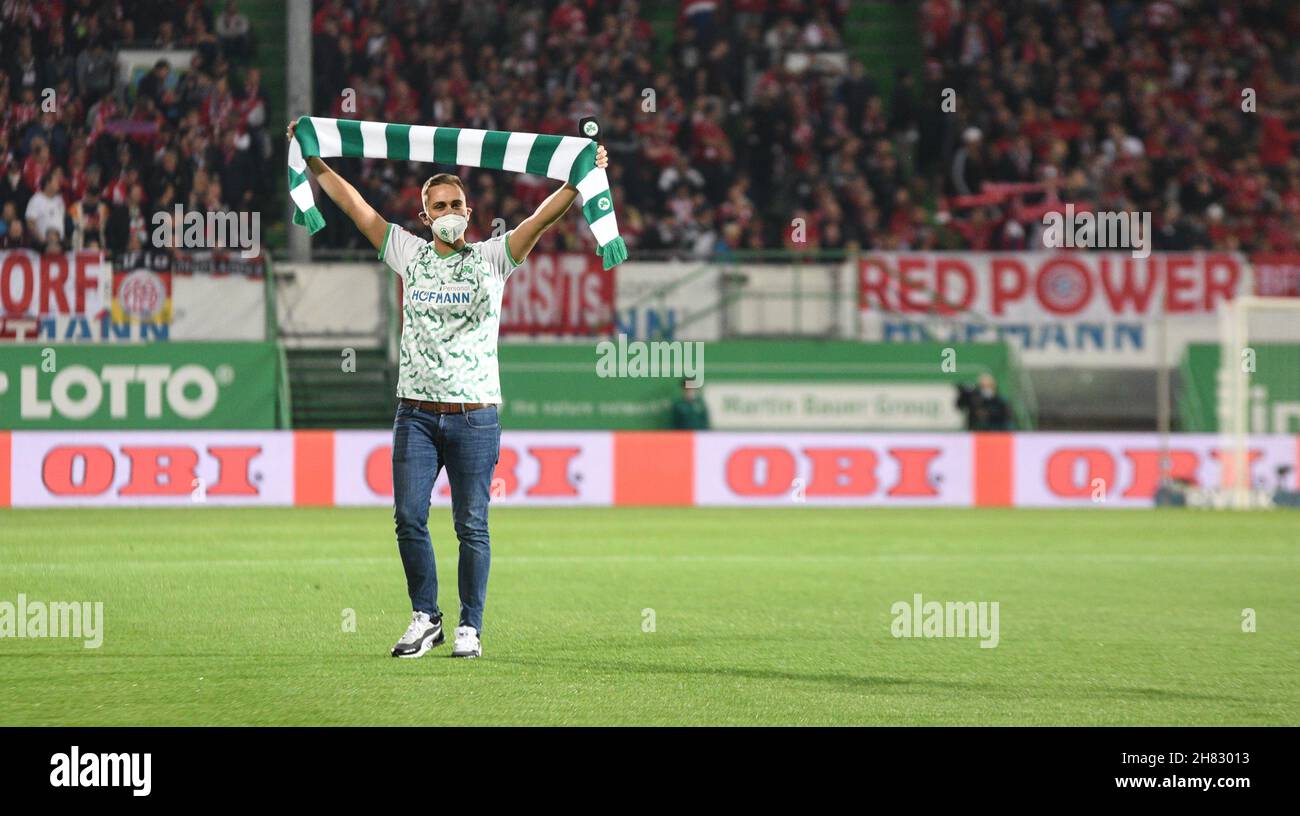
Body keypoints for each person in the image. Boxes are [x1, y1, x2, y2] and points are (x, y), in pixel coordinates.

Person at [286, 120, 609, 660]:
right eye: (439, 206)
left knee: (471, 525)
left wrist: (580, 180)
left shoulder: (493, 259)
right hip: (415, 414)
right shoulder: (406, 253)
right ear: (424, 215)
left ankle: (471, 627)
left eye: (457, 203)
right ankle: (426, 616)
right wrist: (314, 159)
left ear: (469, 212)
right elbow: (357, 207)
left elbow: (539, 219)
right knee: (409, 517)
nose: (450, 213)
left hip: (475, 415)